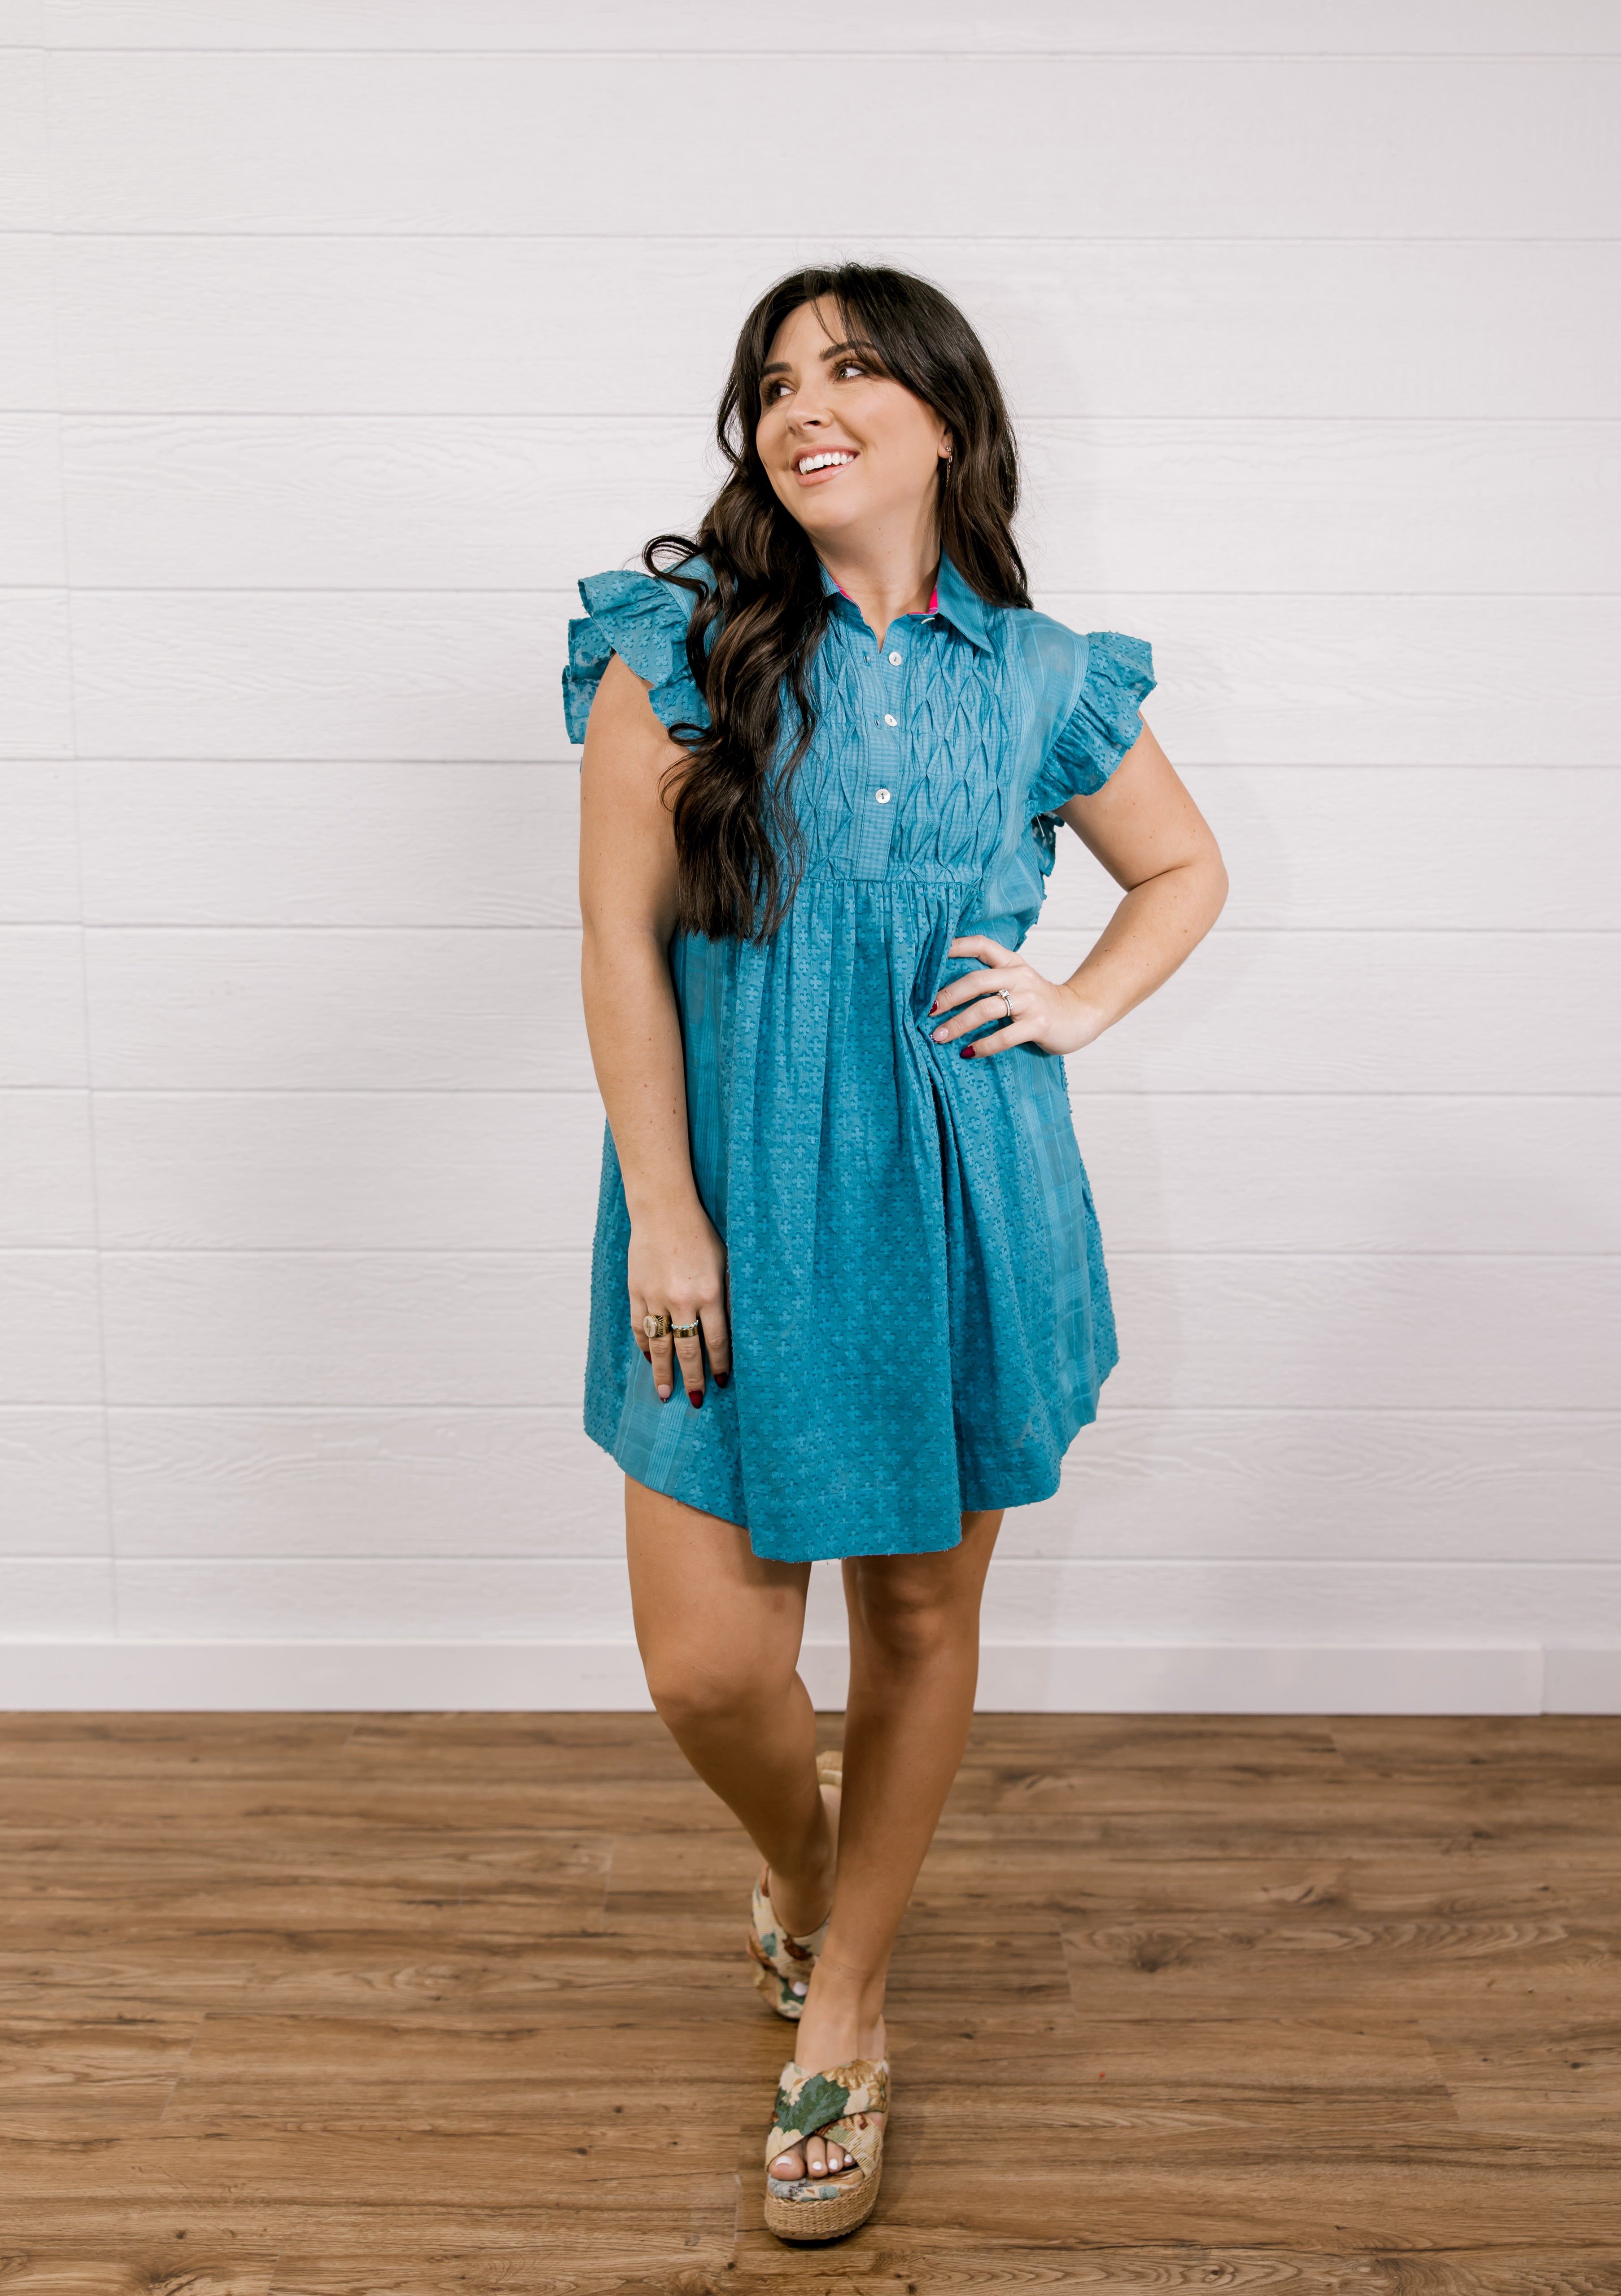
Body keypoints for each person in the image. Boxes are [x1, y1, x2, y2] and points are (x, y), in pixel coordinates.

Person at [565, 264, 1228, 2243]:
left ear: (948, 421)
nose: (803, 405)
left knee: (921, 1625)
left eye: (851, 370)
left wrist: (1077, 1004)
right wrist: (667, 1214)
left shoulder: (1039, 674)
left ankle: (845, 1998)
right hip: (730, 1188)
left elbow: (1182, 868)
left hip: (959, 1183)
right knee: (707, 1667)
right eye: (774, 381)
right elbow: (617, 942)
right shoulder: (670, 643)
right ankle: (799, 1871)